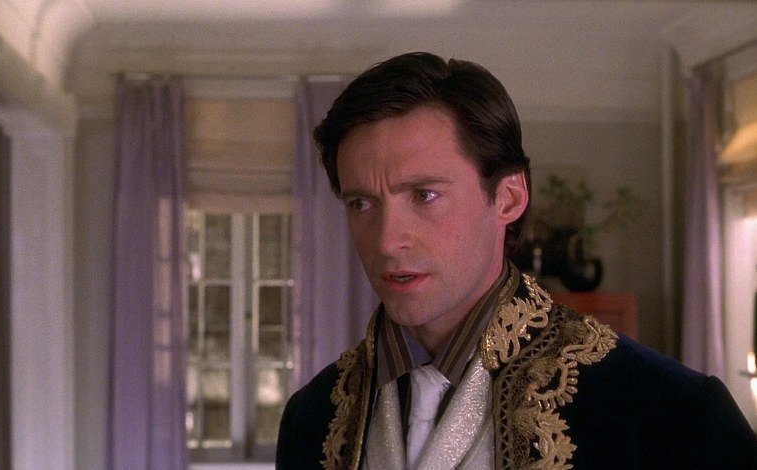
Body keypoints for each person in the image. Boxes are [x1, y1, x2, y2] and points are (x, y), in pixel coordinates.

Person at [276, 51, 757, 469]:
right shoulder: (311, 418)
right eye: (361, 203)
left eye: (424, 195)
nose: (386, 241)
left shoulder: (672, 415)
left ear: (508, 198)